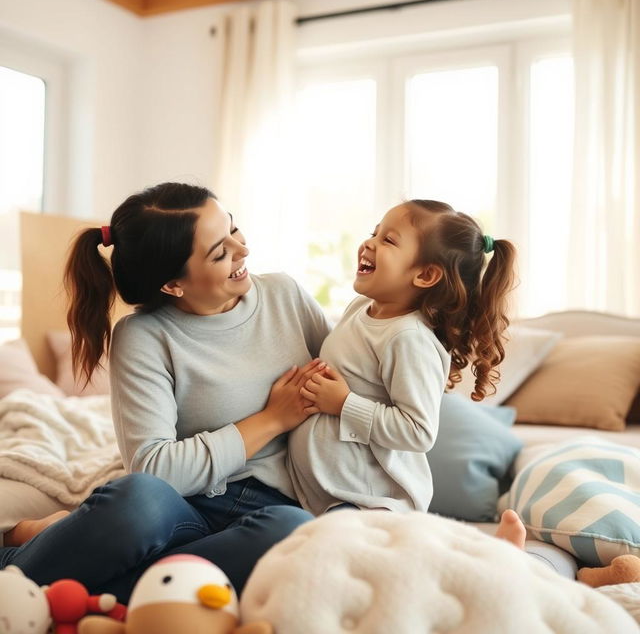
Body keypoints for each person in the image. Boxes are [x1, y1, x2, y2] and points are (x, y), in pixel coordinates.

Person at [0, 182, 331, 603]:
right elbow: (154, 468)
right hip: (187, 507)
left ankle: (76, 576)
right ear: (174, 285)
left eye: (234, 228)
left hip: (274, 507)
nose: (242, 250)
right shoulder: (143, 336)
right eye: (219, 252)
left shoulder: (286, 295)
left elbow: (347, 379)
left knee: (292, 531)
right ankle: (24, 570)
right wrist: (271, 420)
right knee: (138, 500)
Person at [287, 199, 517, 515]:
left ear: (425, 275)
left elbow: (417, 431)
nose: (369, 243)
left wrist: (343, 403)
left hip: (369, 501)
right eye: (374, 232)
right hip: (326, 494)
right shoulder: (359, 308)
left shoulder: (408, 338)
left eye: (388, 240)